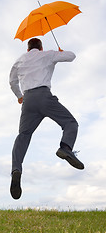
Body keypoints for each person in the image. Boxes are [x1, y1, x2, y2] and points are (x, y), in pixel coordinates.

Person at [9, 38, 84, 200]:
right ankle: (65, 147)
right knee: (70, 123)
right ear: (40, 47)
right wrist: (60, 51)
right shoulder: (47, 55)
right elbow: (72, 56)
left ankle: (16, 169)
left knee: (23, 136)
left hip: (28, 101)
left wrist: (19, 96)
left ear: (28, 48)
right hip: (44, 97)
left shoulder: (20, 60)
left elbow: (12, 81)